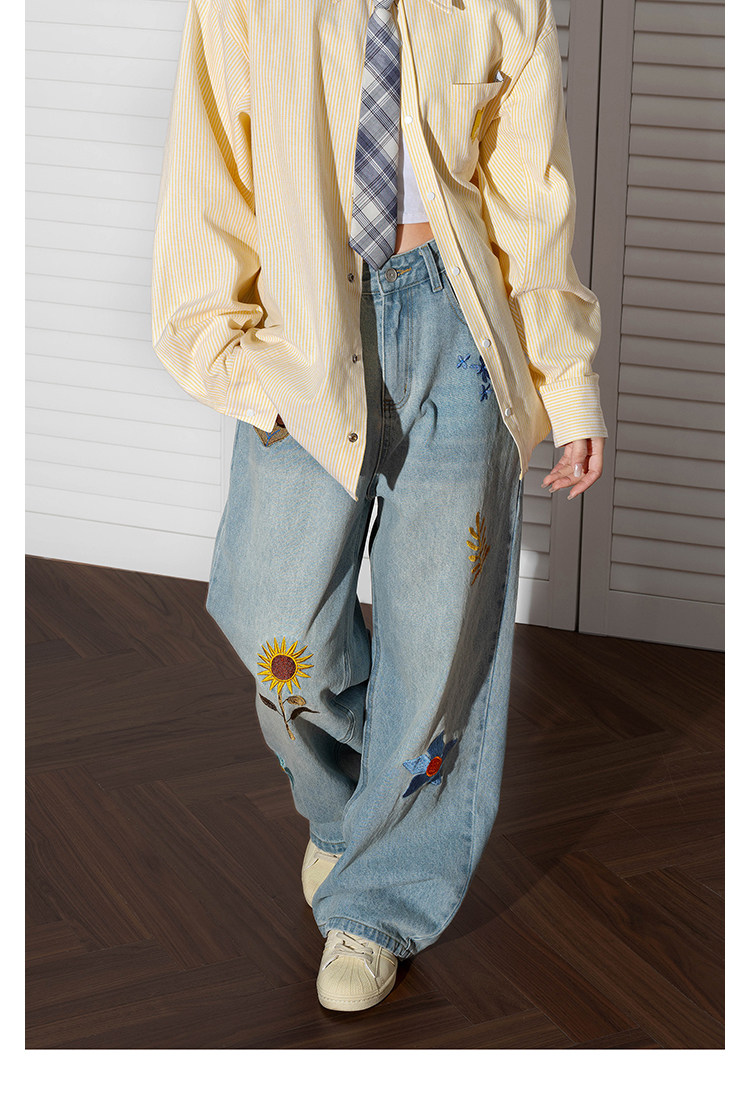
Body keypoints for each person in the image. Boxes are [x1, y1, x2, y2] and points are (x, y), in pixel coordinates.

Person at [151, 0, 607, 1013]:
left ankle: (377, 906)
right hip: (307, 331)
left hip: (461, 330)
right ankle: (355, 808)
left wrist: (568, 384)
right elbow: (212, 163)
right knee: (275, 621)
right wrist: (228, 354)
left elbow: (531, 197)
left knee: (438, 641)